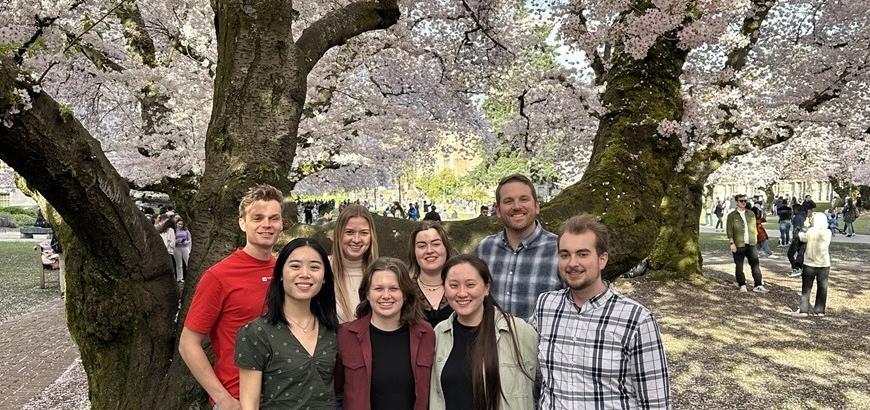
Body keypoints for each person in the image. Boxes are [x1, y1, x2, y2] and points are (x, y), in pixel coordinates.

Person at [534, 214, 670, 409]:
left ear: (602, 259)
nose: (572, 263)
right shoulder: (546, 306)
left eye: (582, 254)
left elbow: (656, 403)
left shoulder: (637, 320)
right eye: (565, 255)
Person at [179, 185, 284, 409]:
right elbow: (188, 343)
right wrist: (223, 398)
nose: (267, 224)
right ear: (242, 223)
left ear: (281, 223)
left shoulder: (287, 272)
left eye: (273, 218)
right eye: (257, 218)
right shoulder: (219, 276)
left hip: (285, 394)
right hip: (238, 398)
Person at [235, 238, 339, 409]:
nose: (305, 274)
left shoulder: (331, 329)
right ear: (280, 274)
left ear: (325, 277)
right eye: (295, 266)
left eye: (314, 267)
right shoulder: (256, 332)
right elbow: (249, 404)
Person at [430, 254, 538, 410]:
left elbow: (545, 382)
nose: (461, 293)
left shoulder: (519, 332)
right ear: (444, 289)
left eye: (470, 285)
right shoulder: (439, 334)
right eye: (453, 285)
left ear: (486, 287)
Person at [336, 257, 435, 410]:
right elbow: (336, 389)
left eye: (394, 289)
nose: (386, 295)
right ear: (367, 294)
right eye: (378, 289)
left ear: (405, 294)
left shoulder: (426, 333)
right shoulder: (345, 335)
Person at [475, 174, 560, 319]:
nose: (516, 206)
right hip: (491, 340)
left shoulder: (559, 249)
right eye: (508, 201)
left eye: (524, 199)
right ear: (498, 211)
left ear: (537, 206)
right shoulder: (485, 249)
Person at [331, 204, 379, 323]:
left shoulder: (382, 273)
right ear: (338, 234)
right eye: (349, 232)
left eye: (363, 233)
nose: (356, 240)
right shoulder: (322, 269)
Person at [408, 221, 457, 327]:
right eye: (422, 246)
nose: (429, 250)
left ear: (446, 248)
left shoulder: (461, 290)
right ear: (414, 252)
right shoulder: (405, 292)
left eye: (436, 244)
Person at [725, 194, 769, 293]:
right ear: (737, 202)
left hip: (751, 243)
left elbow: (754, 227)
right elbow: (729, 231)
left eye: (745, 201)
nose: (743, 202)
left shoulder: (750, 214)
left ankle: (758, 285)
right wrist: (732, 243)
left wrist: (755, 238)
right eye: (741, 201)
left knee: (755, 265)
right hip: (739, 244)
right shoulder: (732, 216)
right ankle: (742, 284)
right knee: (739, 266)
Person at [791, 212, 831, 317]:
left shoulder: (811, 231)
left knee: (807, 287)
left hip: (810, 263)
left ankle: (803, 310)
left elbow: (801, 237)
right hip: (824, 263)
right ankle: (820, 310)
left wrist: (806, 225)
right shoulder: (828, 232)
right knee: (822, 287)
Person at [174, 218, 192, 282]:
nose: (180, 225)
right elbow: (173, 239)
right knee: (179, 264)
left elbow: (189, 239)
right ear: (176, 224)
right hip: (177, 248)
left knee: (187, 262)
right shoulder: (175, 231)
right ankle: (179, 278)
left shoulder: (186, 231)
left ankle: (189, 277)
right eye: (179, 224)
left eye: (182, 224)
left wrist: (186, 242)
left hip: (185, 247)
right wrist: (176, 241)